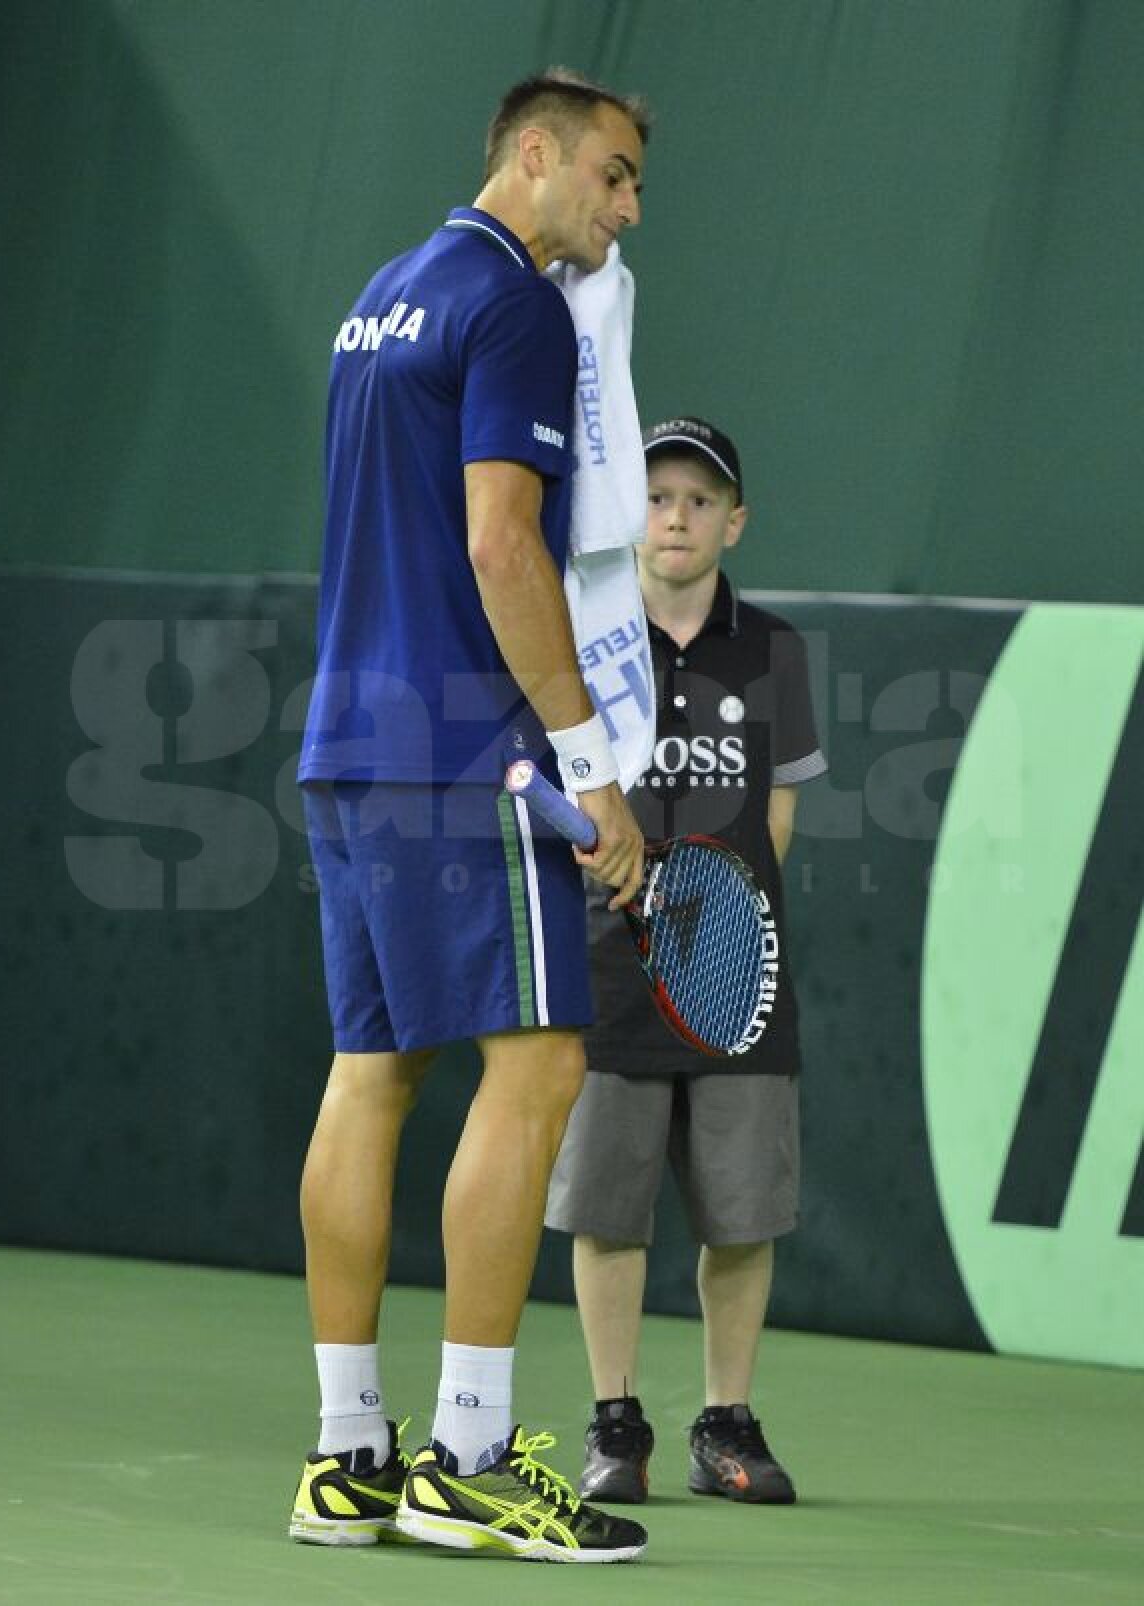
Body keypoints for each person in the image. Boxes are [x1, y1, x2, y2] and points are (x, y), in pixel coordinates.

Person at [289, 70, 653, 1564]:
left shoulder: (383, 293)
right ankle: (472, 1456)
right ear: (535, 155)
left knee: (371, 1069)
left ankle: (345, 1451)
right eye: (615, 178)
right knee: (543, 1061)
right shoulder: (518, 308)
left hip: (346, 737)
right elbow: (504, 543)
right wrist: (586, 753)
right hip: (465, 747)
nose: (627, 212)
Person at [545, 415, 827, 1506]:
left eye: (701, 500)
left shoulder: (776, 651)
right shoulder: (578, 641)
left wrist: (712, 919)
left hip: (735, 981)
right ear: (634, 515)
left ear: (734, 522)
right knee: (608, 1212)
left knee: (742, 1217)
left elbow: (783, 819)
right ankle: (617, 1424)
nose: (676, 516)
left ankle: (727, 1426)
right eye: (658, 496)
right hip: (605, 975)